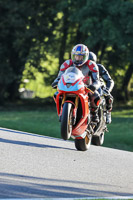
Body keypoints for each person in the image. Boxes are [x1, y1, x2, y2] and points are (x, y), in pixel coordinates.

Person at [52, 44, 101, 123]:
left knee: (96, 96)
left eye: (81, 57)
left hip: (86, 87)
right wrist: (55, 82)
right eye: (76, 56)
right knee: (56, 94)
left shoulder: (91, 65)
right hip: (70, 85)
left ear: (86, 56)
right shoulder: (66, 63)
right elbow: (59, 76)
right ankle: (63, 110)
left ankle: (94, 113)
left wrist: (94, 86)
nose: (78, 59)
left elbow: (97, 80)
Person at [89, 51, 114, 124]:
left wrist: (107, 90)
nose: (88, 64)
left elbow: (110, 80)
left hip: (98, 86)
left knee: (108, 97)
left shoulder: (99, 67)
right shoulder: (79, 67)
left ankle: (108, 112)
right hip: (85, 86)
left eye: (90, 62)